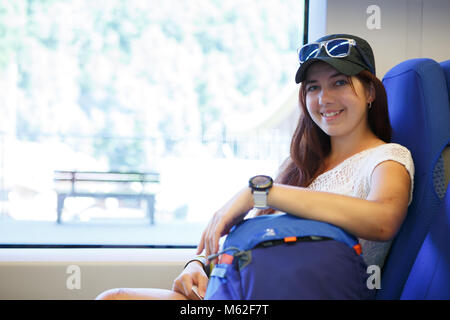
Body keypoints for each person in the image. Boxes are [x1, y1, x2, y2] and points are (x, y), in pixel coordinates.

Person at [96, 34, 414, 300]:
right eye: (313, 87)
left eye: (339, 82)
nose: (324, 98)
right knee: (114, 298)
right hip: (249, 290)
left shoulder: (387, 158)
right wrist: (200, 263)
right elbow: (260, 233)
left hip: (304, 291)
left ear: (370, 91)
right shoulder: (299, 165)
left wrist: (263, 193)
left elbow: (384, 220)